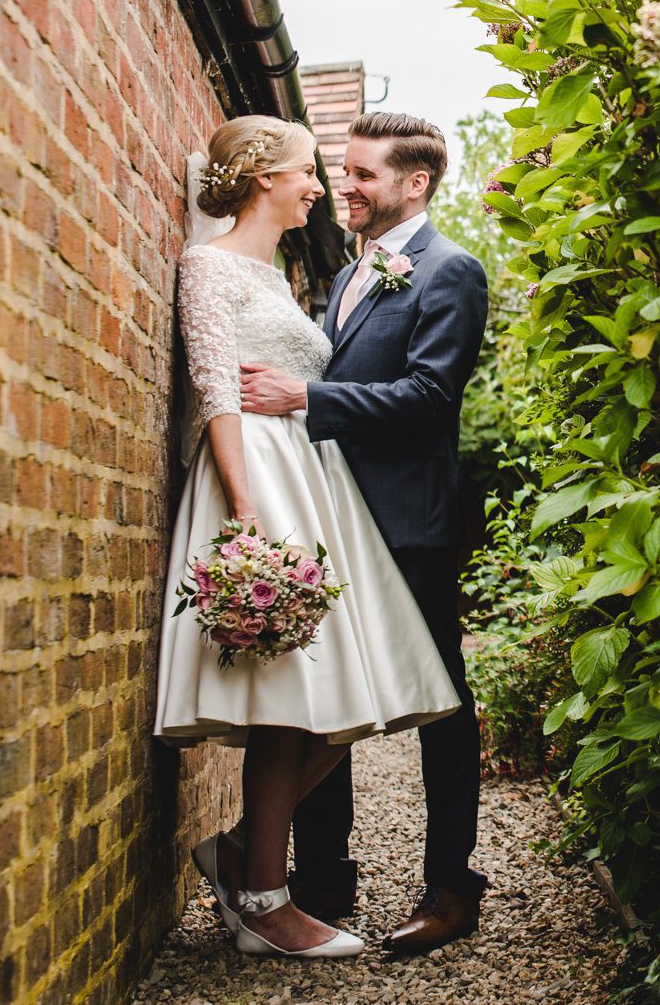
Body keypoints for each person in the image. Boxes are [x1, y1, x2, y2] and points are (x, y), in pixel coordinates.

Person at [154, 115, 461, 960]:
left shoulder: (281, 276)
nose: (322, 187)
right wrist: (245, 512)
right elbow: (217, 390)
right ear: (261, 178)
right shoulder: (208, 265)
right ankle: (262, 896)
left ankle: (243, 854)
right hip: (260, 481)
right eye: (308, 172)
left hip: (311, 480)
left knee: (345, 695)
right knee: (298, 695)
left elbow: (322, 384)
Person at [238, 111, 491, 955]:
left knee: (441, 707)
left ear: (415, 183)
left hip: (411, 522)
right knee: (325, 694)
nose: (346, 186)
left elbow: (429, 398)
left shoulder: (451, 272)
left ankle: (452, 889)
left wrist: (304, 399)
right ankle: (319, 879)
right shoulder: (350, 272)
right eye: (344, 171)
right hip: (333, 516)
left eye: (363, 174)